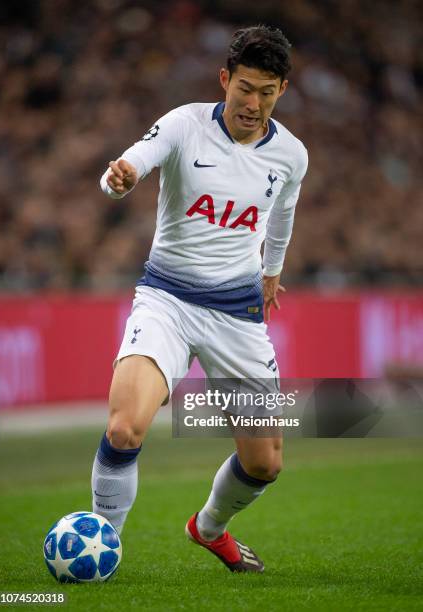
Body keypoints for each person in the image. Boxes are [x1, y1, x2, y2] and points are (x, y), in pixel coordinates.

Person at [92, 24, 308, 573]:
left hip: (238, 314)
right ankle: (103, 545)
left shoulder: (291, 155)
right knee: (124, 427)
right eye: (244, 89)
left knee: (265, 464)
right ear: (224, 80)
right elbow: (133, 162)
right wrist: (118, 180)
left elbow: (281, 217)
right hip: (167, 300)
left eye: (266, 92)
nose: (253, 104)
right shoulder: (185, 123)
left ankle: (208, 529)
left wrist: (272, 272)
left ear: (282, 90)